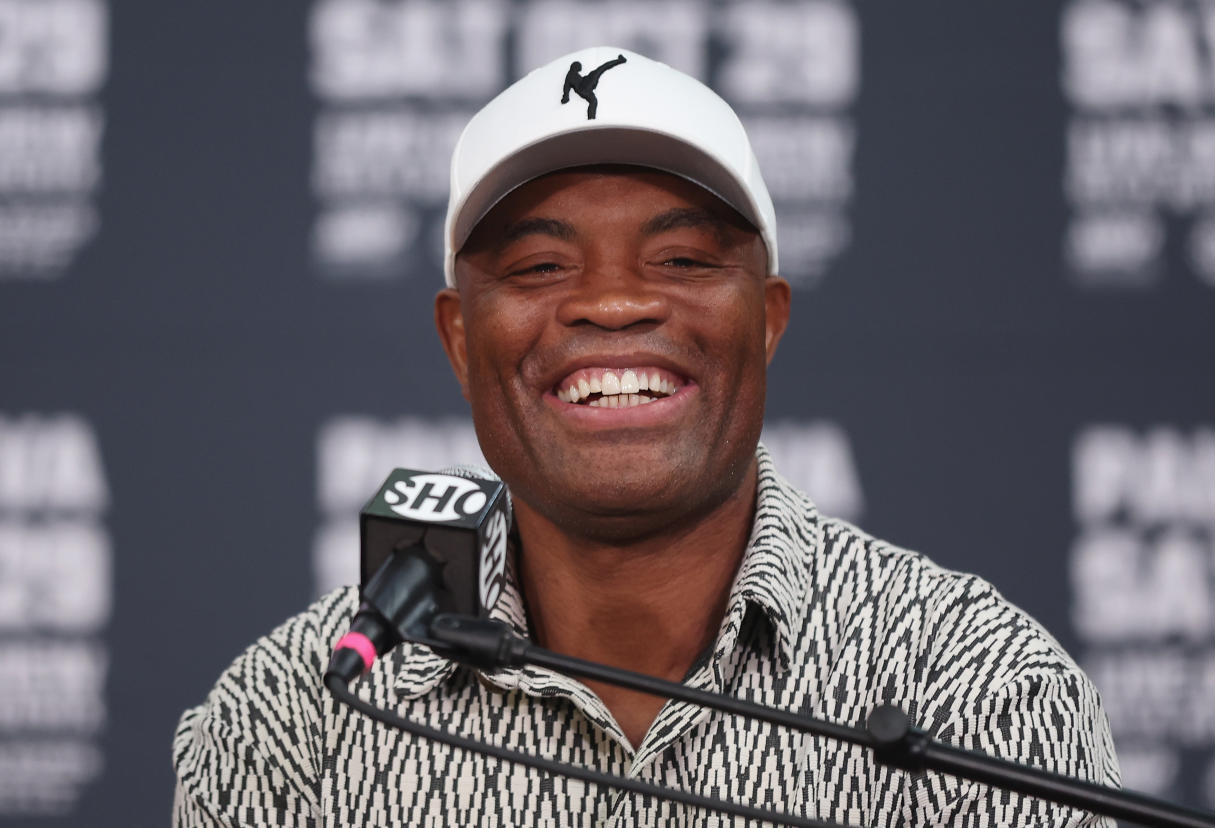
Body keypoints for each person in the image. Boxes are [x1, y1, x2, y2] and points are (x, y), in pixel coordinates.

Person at [172, 47, 1120, 826]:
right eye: (542, 264)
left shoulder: (982, 693)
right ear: (460, 338)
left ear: (768, 319)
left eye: (680, 259)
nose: (614, 302)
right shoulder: (294, 714)